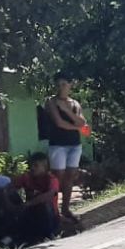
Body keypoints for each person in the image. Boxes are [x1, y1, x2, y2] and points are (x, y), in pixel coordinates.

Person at [45, 74, 87, 222]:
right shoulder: (51, 102)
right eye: (58, 84)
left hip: (74, 145)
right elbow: (59, 122)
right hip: (58, 145)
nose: (61, 87)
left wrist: (68, 111)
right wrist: (76, 127)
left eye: (64, 84)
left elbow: (83, 122)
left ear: (70, 85)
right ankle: (54, 210)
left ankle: (66, 209)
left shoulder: (75, 103)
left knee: (70, 177)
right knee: (58, 177)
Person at [12, 153, 61, 244]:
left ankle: (49, 234)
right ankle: (16, 235)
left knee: (44, 203)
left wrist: (28, 203)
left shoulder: (51, 179)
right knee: (10, 195)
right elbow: (10, 187)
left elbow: (49, 195)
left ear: (45, 167)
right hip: (31, 214)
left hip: (49, 218)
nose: (32, 168)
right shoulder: (26, 177)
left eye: (36, 165)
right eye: (31, 165)